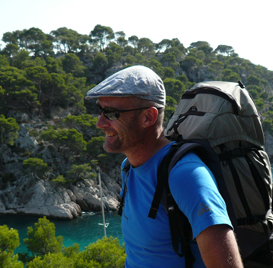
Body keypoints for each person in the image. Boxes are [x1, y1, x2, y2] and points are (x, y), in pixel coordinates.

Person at [85, 65, 243, 268]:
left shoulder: (185, 175)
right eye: (100, 110)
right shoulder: (128, 168)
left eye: (110, 113)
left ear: (148, 117)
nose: (100, 122)